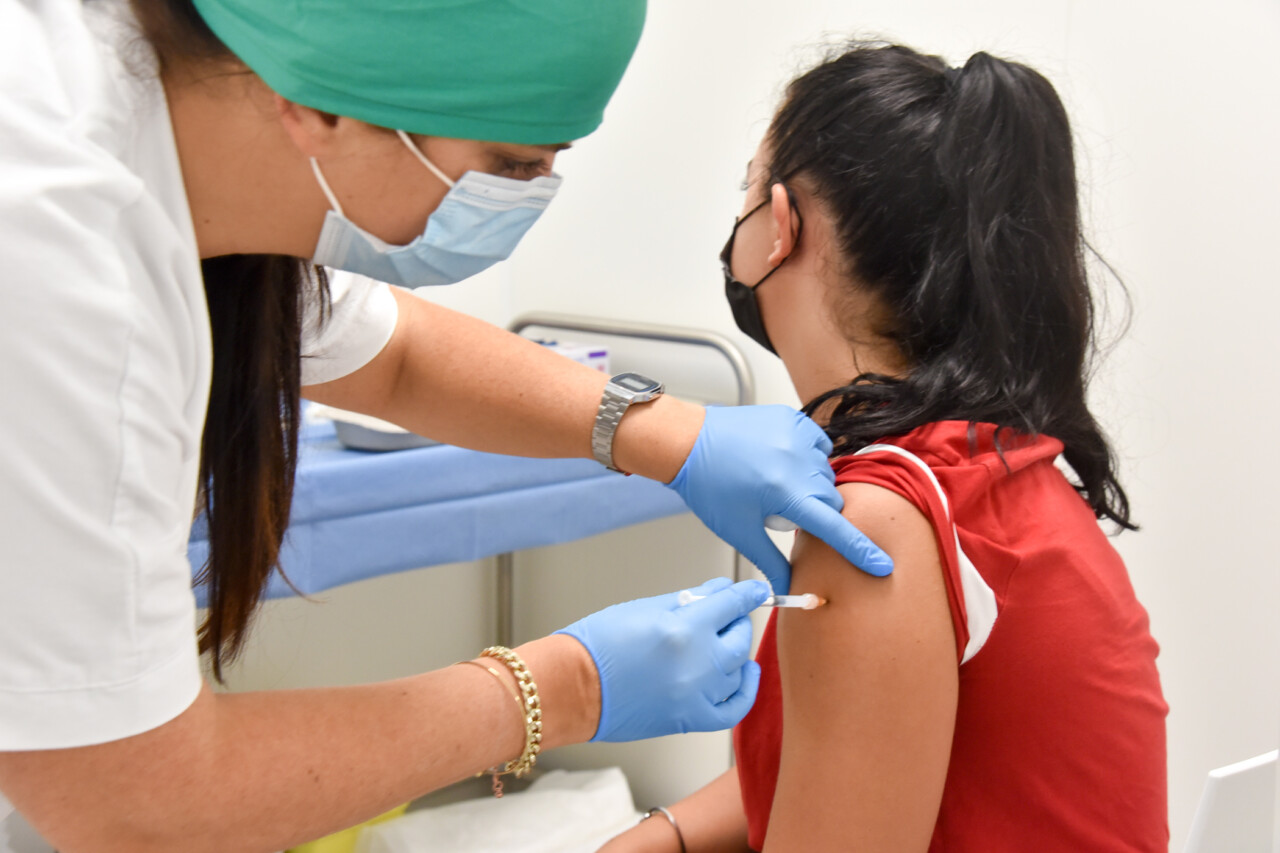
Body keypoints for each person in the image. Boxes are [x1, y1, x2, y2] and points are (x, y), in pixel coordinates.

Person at [0, 1, 898, 850]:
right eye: (509, 164)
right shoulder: (55, 260)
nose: (528, 199)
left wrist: (670, 432)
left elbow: (389, 353)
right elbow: (139, 803)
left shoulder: (193, 124)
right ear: (322, 101)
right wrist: (561, 688)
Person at [599, 43, 1167, 852]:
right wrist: (656, 837)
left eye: (746, 189)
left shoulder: (876, 523)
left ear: (780, 225)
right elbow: (867, 750)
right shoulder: (999, 462)